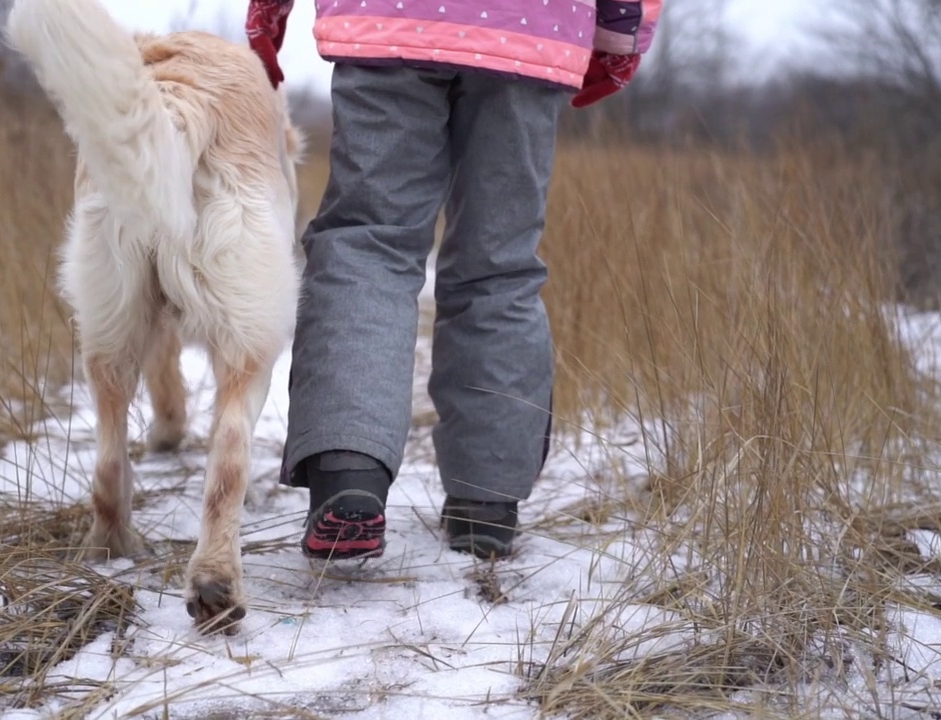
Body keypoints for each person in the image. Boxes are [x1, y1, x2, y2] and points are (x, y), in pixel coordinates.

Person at [245, 0, 660, 560]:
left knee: (369, 241)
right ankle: (486, 502)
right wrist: (617, 37)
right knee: (500, 264)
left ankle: (350, 475)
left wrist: (267, 18)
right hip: (535, 27)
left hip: (389, 20)